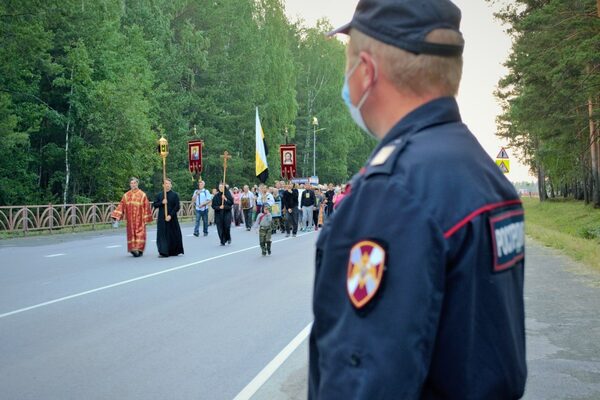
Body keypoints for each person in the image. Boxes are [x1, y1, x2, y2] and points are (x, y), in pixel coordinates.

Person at [309, 1, 527, 399]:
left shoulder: (393, 194)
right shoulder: (483, 172)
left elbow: (363, 379)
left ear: (366, 72)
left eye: (347, 63)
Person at [111, 177, 153, 257]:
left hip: (140, 219)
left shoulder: (142, 195)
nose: (133, 185)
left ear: (137, 184)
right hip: (130, 220)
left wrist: (146, 218)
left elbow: (146, 207)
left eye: (134, 183)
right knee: (131, 234)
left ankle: (139, 249)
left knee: (140, 234)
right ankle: (133, 249)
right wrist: (116, 216)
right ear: (130, 184)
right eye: (132, 183)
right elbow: (121, 206)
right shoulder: (126, 195)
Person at [152, 178, 184, 257]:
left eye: (169, 184)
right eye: (166, 183)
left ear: (171, 185)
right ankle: (163, 251)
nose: (167, 185)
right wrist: (162, 202)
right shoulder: (159, 195)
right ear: (163, 185)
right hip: (162, 218)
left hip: (172, 218)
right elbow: (155, 205)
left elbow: (177, 207)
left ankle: (173, 251)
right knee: (162, 235)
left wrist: (170, 215)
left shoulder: (175, 195)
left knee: (173, 234)